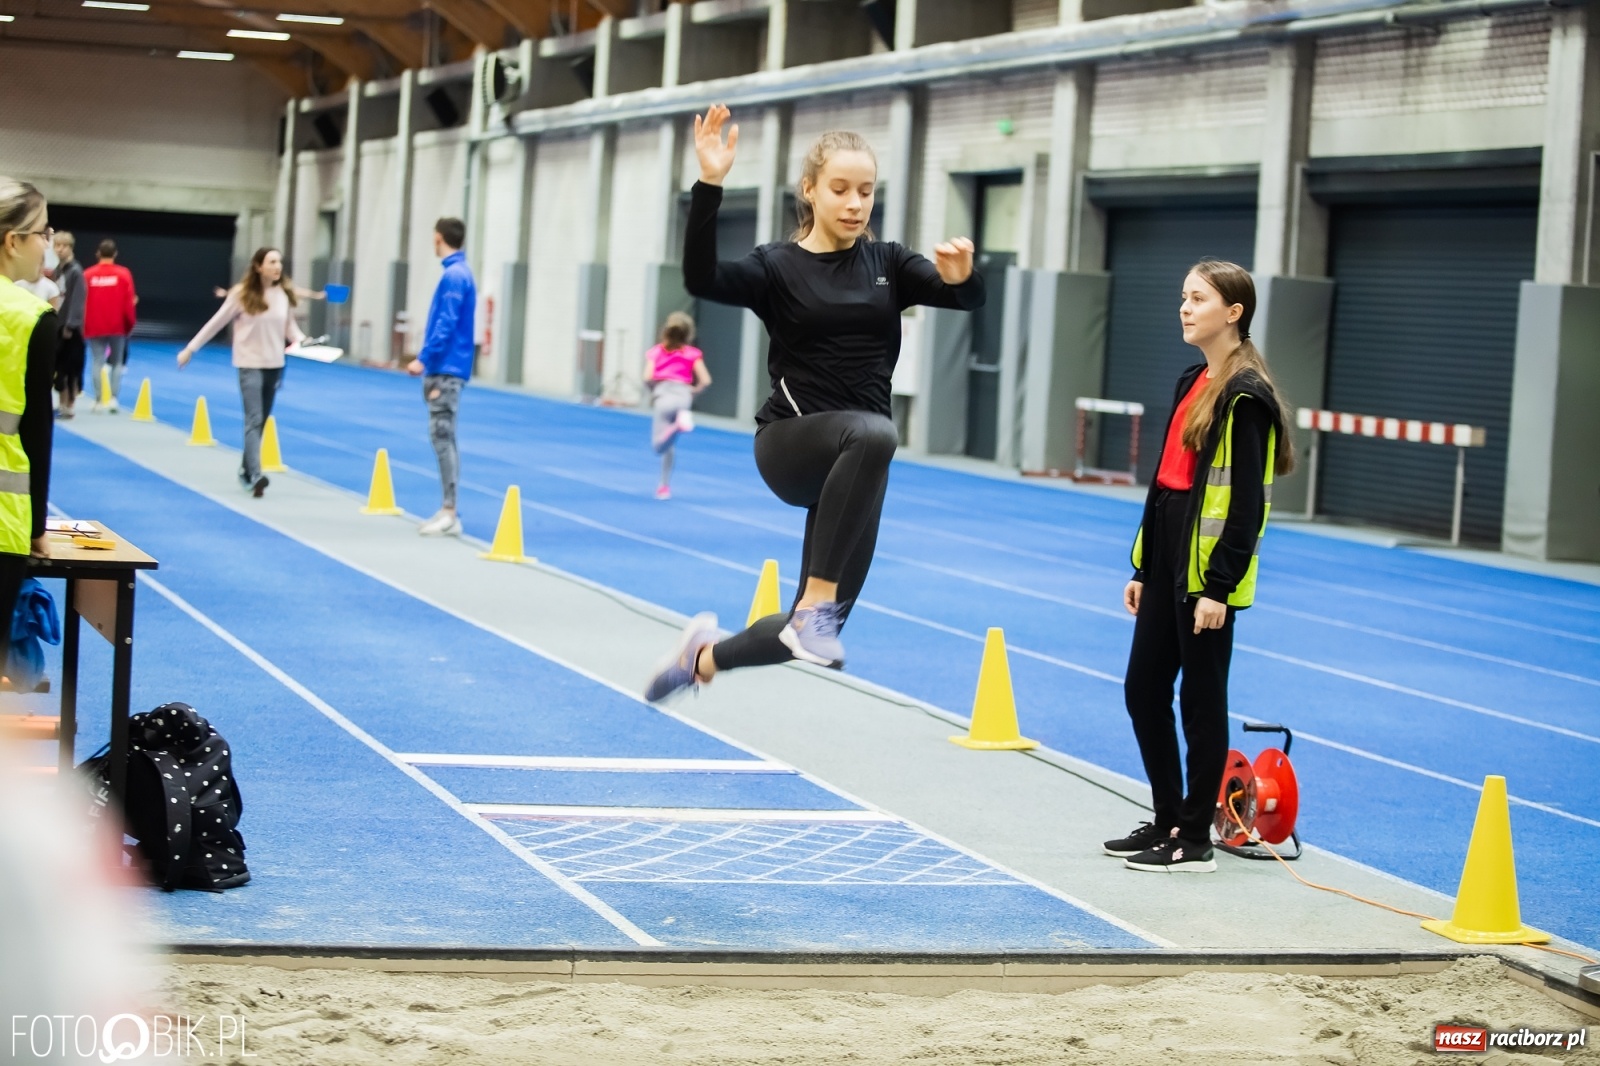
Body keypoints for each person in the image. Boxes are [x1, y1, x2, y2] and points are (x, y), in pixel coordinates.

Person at [644, 106, 983, 702]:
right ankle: (816, 604)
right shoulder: (776, 266)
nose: (855, 204)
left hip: (858, 464)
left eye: (866, 192)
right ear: (810, 189)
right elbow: (701, 279)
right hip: (791, 445)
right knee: (875, 436)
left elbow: (965, 299)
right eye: (841, 189)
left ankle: (702, 659)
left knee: (816, 631)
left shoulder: (889, 263)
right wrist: (710, 184)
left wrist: (963, 277)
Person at [1103, 259, 1294, 874]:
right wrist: (1142, 567)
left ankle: (1195, 839)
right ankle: (1168, 818)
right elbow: (1165, 482)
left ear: (1233, 313)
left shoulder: (1247, 396)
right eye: (1183, 297)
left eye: (1198, 299)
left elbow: (1246, 504)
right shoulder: (1193, 378)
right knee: (1143, 691)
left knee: (1201, 703)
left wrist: (1219, 587)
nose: (1185, 308)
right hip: (1167, 556)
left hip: (1206, 575)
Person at [176, 247, 303, 498]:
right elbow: (216, 323)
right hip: (249, 364)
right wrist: (190, 349)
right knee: (253, 418)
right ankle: (255, 474)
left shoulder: (282, 295)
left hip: (275, 365)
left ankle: (245, 469)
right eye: (272, 262)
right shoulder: (241, 294)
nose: (277, 267)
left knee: (262, 420)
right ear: (258, 266)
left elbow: (291, 330)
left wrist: (308, 342)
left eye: (279, 262)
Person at [0, 178, 59, 674]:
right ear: (12, 241)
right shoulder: (31, 317)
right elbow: (36, 432)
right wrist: (37, 527)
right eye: (42, 232)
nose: (47, 244)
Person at [407, 217, 475, 537]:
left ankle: (449, 510)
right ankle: (448, 508)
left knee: (443, 436)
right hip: (447, 366)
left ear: (438, 238)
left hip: (446, 367)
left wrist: (423, 358)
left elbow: (445, 323)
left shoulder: (454, 275)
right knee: (444, 438)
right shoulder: (457, 273)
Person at [645, 311, 711, 500]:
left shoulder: (657, 351)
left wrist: (654, 392)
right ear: (688, 334)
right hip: (683, 396)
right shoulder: (692, 353)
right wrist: (693, 392)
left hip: (664, 395)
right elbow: (705, 380)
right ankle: (663, 485)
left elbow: (647, 377)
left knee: (658, 447)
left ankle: (676, 426)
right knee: (669, 444)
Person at [82, 238, 135, 413]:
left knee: (97, 362)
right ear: (115, 254)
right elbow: (129, 303)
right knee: (117, 362)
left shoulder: (88, 275)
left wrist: (84, 325)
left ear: (98, 253)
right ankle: (113, 399)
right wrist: (129, 325)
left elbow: (82, 302)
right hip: (117, 326)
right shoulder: (123, 274)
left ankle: (98, 400)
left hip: (95, 325)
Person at [50, 232, 85, 419]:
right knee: (58, 368)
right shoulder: (57, 271)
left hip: (71, 328)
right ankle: (61, 402)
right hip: (58, 324)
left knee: (71, 368)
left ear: (70, 248)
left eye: (63, 246)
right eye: (56, 246)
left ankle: (69, 404)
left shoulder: (76, 271)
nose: (59, 249)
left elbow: (78, 300)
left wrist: (71, 325)